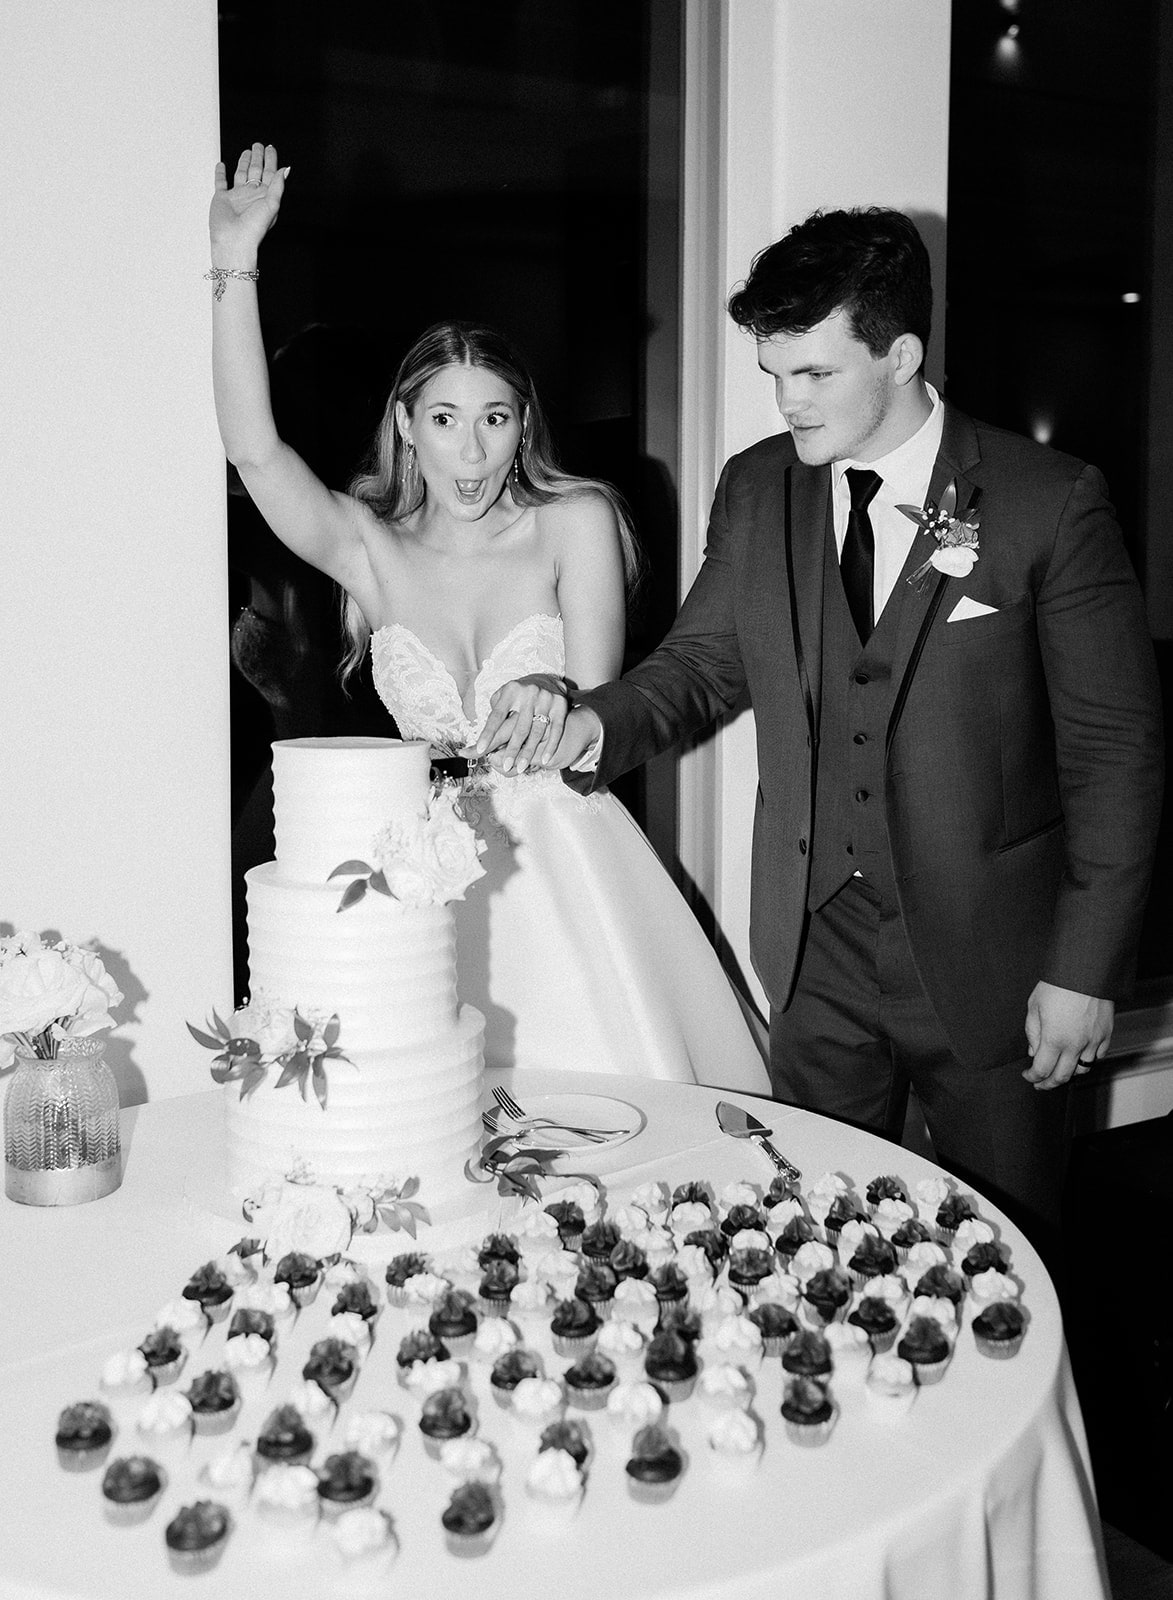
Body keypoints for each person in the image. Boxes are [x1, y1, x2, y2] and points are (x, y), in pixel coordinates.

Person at [481, 206, 1165, 1243]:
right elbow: (702, 665)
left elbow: (1116, 754)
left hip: (996, 969)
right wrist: (589, 723)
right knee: (815, 1242)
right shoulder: (759, 489)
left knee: (1008, 1254)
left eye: (815, 374)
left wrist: (1084, 969)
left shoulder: (1047, 501)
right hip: (814, 964)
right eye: (774, 373)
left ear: (900, 355)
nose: (787, 401)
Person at [207, 141, 769, 1093]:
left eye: (496, 418)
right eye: (444, 419)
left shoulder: (573, 521)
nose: (471, 450)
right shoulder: (368, 548)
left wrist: (559, 694)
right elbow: (257, 452)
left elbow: (603, 715)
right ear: (405, 425)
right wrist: (233, 260)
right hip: (421, 876)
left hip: (563, 860)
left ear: (523, 425)